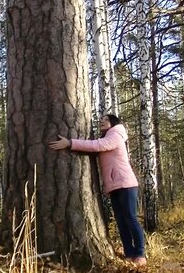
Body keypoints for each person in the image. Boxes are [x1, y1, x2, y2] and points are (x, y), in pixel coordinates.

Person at [49, 114, 147, 267]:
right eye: (101, 119)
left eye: (106, 119)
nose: (101, 121)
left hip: (126, 184)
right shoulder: (108, 136)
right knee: (121, 221)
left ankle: (140, 253)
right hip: (114, 185)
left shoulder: (116, 134)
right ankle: (129, 253)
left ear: (113, 123)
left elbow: (97, 146)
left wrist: (69, 143)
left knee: (130, 218)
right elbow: (95, 146)